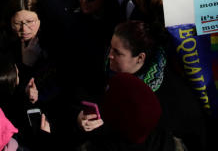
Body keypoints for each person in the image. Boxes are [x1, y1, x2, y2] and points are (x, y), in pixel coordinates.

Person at [78, 21, 205, 151]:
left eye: (117, 52)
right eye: (111, 47)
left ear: (140, 58)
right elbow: (81, 92)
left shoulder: (170, 98)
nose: (110, 55)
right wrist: (80, 117)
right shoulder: (102, 65)